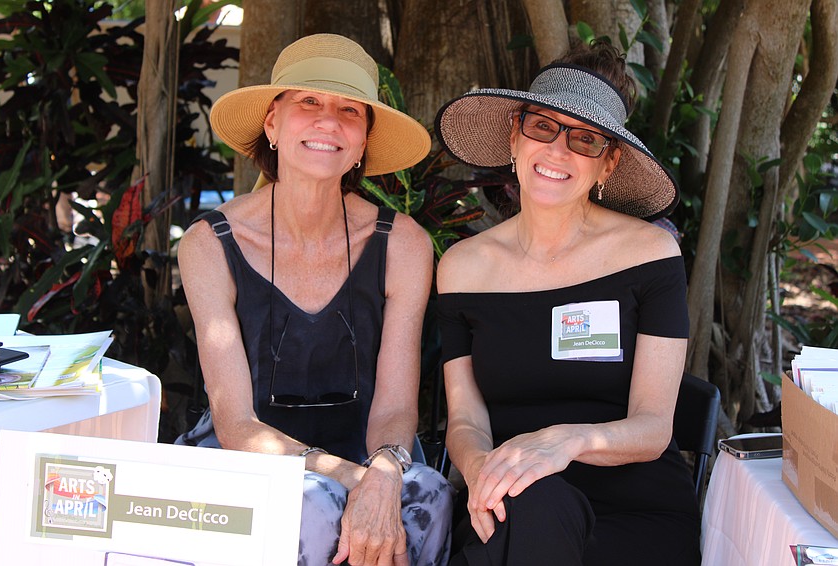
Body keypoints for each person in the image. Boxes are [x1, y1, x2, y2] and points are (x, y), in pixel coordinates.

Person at [175, 34, 454, 566]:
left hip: (375, 451)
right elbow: (236, 425)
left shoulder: (404, 243)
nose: (329, 121)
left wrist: (384, 473)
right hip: (248, 460)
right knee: (314, 508)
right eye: (308, 102)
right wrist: (358, 482)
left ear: (364, 140)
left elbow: (395, 408)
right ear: (272, 124)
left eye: (349, 110)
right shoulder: (209, 243)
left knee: (430, 499)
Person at [433, 41, 701, 565]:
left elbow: (653, 426)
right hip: (509, 496)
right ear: (515, 136)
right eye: (542, 127)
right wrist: (483, 469)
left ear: (609, 162)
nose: (557, 150)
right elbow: (465, 418)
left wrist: (564, 442)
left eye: (584, 139)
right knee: (534, 505)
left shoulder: (648, 253)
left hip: (634, 510)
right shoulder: (463, 267)